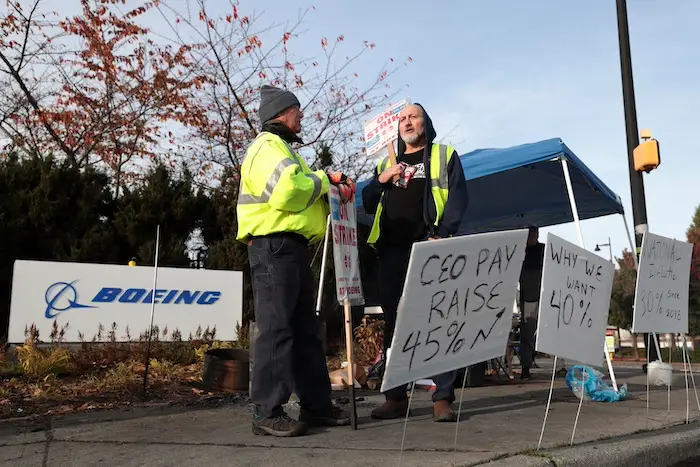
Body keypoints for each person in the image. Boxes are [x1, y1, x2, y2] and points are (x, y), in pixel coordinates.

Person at [236, 85, 356, 437]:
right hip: (275, 246)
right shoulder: (267, 147)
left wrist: (329, 188)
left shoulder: (281, 149)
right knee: (277, 329)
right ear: (282, 112)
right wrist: (324, 179)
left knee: (304, 330)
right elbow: (289, 192)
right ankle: (266, 412)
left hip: (288, 247)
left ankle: (316, 406)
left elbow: (298, 191)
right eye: (296, 110)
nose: (301, 116)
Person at [361, 103, 469, 422]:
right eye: (402, 118)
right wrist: (382, 179)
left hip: (429, 249)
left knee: (438, 320)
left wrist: (444, 234)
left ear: (426, 123)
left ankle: (442, 397)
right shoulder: (387, 161)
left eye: (413, 116)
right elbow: (367, 202)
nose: (407, 121)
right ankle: (396, 396)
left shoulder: (443, 156)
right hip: (392, 253)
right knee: (396, 325)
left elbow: (459, 199)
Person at [518, 225, 545, 380]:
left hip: (543, 294)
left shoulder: (543, 250)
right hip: (529, 296)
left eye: (533, 234)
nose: (531, 238)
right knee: (527, 332)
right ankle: (526, 367)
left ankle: (530, 361)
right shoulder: (521, 250)